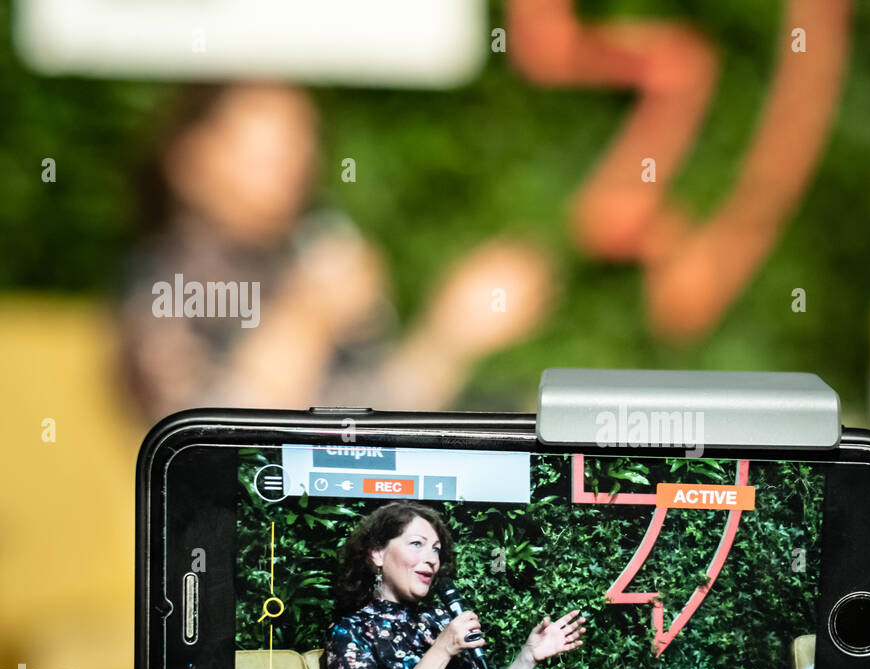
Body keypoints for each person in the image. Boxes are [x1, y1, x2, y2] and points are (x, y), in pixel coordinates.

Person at [115, 81, 554, 424]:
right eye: (266, 151)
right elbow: (220, 443)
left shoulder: (298, 255)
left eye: (301, 145)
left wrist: (452, 334)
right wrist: (310, 315)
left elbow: (375, 423)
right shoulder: (167, 285)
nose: (293, 168)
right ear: (191, 158)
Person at [322, 501, 653, 669]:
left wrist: (528, 657)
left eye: (436, 549)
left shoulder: (436, 619)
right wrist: (442, 649)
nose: (432, 558)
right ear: (377, 554)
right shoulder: (348, 633)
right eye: (417, 544)